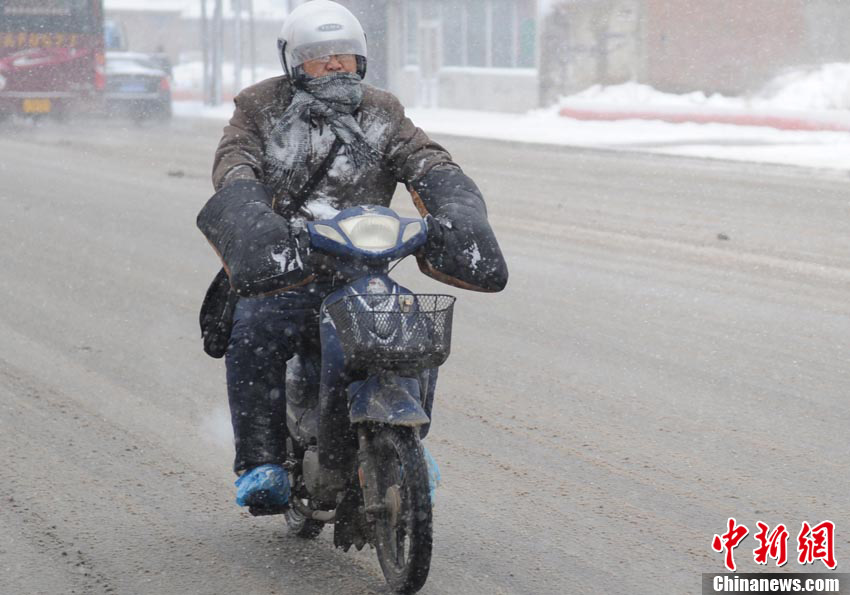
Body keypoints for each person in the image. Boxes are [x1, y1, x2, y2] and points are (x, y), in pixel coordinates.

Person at [198, 0, 507, 510]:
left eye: (345, 54)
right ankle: (261, 461)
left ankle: (409, 441)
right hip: (290, 267)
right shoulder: (260, 107)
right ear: (294, 63)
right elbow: (235, 165)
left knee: (411, 326)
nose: (336, 64)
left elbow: (425, 158)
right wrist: (256, 218)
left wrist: (452, 198)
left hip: (364, 264)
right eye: (321, 56)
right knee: (253, 332)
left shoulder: (382, 110)